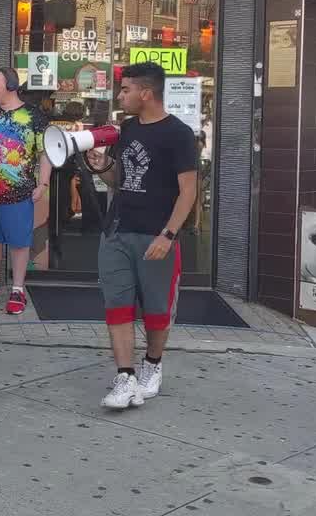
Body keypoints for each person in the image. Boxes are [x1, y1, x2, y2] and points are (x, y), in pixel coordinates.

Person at [86, 61, 197, 410]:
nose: (122, 95)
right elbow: (121, 180)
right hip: (117, 230)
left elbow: (189, 191)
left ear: (146, 93)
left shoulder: (179, 134)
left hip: (155, 235)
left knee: (156, 311)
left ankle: (152, 365)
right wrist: (101, 166)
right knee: (117, 306)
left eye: (126, 89)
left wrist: (168, 235)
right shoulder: (128, 129)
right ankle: (125, 376)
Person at [0, 67, 51, 316]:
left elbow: (47, 152)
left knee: (19, 242)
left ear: (10, 86)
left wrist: (43, 184)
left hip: (19, 192)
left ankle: (17, 289)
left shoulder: (34, 116)